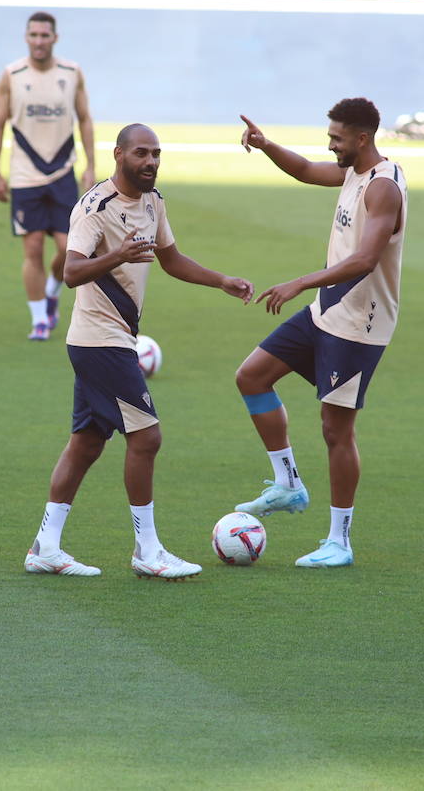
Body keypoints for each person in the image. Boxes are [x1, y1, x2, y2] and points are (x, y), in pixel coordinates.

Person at [23, 124, 253, 579]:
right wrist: (119, 256)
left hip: (114, 339)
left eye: (157, 155)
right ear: (119, 155)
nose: (150, 162)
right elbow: (71, 272)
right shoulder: (95, 207)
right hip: (98, 340)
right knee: (146, 438)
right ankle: (147, 551)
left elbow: (172, 260)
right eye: (142, 154)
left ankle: (45, 546)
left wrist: (221, 280)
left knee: (87, 443)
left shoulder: (154, 202)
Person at [231, 99, 408, 568]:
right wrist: (267, 145)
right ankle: (287, 484)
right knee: (252, 377)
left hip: (358, 325)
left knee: (336, 430)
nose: (330, 145)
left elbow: (366, 260)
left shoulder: (383, 187)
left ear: (363, 138)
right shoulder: (353, 172)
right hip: (327, 311)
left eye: (338, 138)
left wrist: (300, 281)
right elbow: (308, 170)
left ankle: (339, 541)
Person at [0, 11, 96, 341]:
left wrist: (91, 165)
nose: (39, 41)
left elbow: (85, 120)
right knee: (32, 248)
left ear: (55, 38)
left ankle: (52, 290)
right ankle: (39, 320)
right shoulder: (12, 75)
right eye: (33, 35)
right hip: (24, 175)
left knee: (68, 249)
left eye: (44, 35)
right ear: (26, 38)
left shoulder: (72, 73)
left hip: (62, 172)